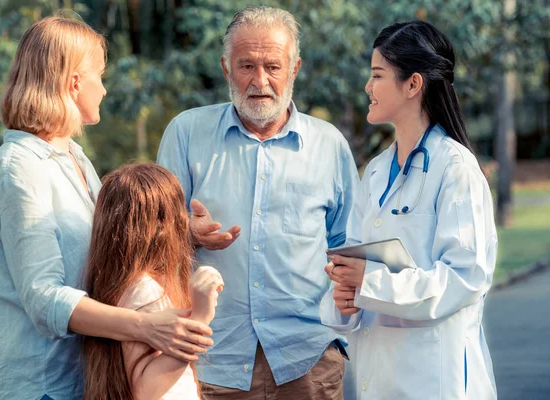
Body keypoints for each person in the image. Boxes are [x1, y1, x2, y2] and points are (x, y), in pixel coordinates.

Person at [0, 16, 212, 400]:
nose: (103, 89)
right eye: (99, 76)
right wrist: (145, 326)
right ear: (73, 83)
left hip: (84, 380)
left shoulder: (74, 157)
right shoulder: (20, 168)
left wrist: (185, 232)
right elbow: (44, 298)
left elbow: (113, 246)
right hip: (44, 388)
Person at [157, 6, 360, 399]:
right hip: (214, 357)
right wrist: (187, 233)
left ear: (295, 68)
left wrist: (338, 334)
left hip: (308, 359)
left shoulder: (329, 144)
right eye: (246, 65)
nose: (260, 80)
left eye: (273, 66)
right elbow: (152, 235)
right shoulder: (186, 132)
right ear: (226, 68)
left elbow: (348, 246)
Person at [320, 21, 497, 399]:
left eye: (377, 75)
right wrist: (344, 298)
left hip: (436, 381)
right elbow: (354, 259)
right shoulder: (377, 171)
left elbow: (464, 279)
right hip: (378, 379)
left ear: (413, 84)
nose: (368, 87)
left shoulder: (455, 169)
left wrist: (367, 282)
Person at [82, 163, 224, 400]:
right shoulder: (143, 291)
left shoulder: (122, 283)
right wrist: (201, 316)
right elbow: (145, 390)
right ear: (162, 224)